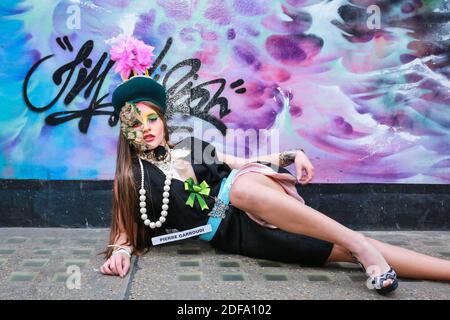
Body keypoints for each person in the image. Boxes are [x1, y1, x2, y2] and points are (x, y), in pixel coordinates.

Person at [100, 37, 450, 295]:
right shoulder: (133, 179)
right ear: (126, 131)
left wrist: (291, 154)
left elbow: (242, 163)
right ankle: (400, 258)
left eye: (151, 118)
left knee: (241, 186)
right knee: (332, 250)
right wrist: (119, 252)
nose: (145, 128)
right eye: (135, 123)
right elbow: (124, 234)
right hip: (231, 233)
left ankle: (361, 247)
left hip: (248, 191)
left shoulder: (191, 146)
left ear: (163, 120)